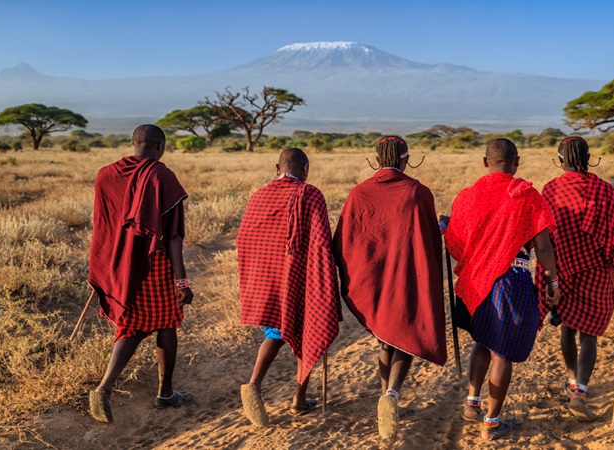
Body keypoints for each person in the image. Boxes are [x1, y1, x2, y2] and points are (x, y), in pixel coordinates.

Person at [442, 138, 560, 440]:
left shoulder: (468, 196)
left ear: (485, 162)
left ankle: (472, 404)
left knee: (483, 341)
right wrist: (552, 281)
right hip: (511, 281)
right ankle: (492, 423)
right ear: (516, 162)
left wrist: (447, 228)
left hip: (477, 280)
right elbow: (543, 248)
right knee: (502, 352)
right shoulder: (528, 196)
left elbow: (455, 244)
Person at [333, 136, 447, 440]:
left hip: (372, 279)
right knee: (407, 335)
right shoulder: (417, 192)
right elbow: (427, 239)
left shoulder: (358, 193)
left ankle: (386, 395)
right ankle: (393, 395)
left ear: (376, 160)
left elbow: (345, 241)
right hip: (407, 277)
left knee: (387, 337)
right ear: (405, 159)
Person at [88, 124, 194, 423]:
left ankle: (142, 390)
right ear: (160, 146)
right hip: (152, 263)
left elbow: (105, 222)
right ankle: (157, 392)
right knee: (163, 322)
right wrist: (182, 281)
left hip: (117, 261)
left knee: (136, 323)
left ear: (134, 143)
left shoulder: (106, 173)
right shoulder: (162, 176)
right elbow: (173, 235)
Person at [538, 136, 614, 422]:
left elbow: (544, 238)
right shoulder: (605, 190)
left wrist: (550, 279)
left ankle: (573, 380)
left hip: (562, 273)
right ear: (588, 157)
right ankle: (580, 392)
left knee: (568, 329)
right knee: (589, 335)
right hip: (597, 273)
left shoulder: (551, 189)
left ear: (560, 158)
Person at [236, 147, 340, 427]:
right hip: (301, 276)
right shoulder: (310, 193)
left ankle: (262, 387)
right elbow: (321, 241)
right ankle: (294, 398)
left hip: (268, 278)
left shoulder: (259, 195)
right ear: (305, 169)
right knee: (307, 332)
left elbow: (245, 238)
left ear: (276, 167)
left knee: (277, 331)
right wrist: (326, 274)